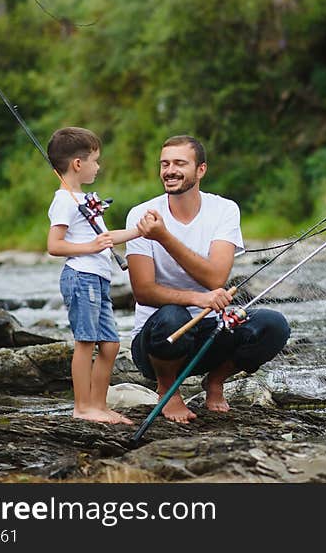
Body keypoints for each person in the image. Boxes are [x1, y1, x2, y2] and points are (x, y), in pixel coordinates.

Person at [125, 135, 290, 423]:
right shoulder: (142, 214)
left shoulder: (224, 210)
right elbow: (143, 292)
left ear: (201, 170)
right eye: (164, 164)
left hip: (209, 333)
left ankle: (214, 381)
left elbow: (215, 277)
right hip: (156, 343)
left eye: (179, 163)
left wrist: (164, 237)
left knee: (273, 325)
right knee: (173, 315)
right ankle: (168, 390)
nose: (170, 170)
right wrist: (196, 297)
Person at [46, 126, 140, 425]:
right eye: (95, 161)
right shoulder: (64, 201)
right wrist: (90, 246)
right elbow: (54, 245)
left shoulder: (84, 199)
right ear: (77, 163)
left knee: (110, 344)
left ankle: (99, 406)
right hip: (81, 277)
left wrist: (141, 230)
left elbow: (106, 236)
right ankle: (82, 407)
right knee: (86, 343)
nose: (98, 167)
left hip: (98, 279)